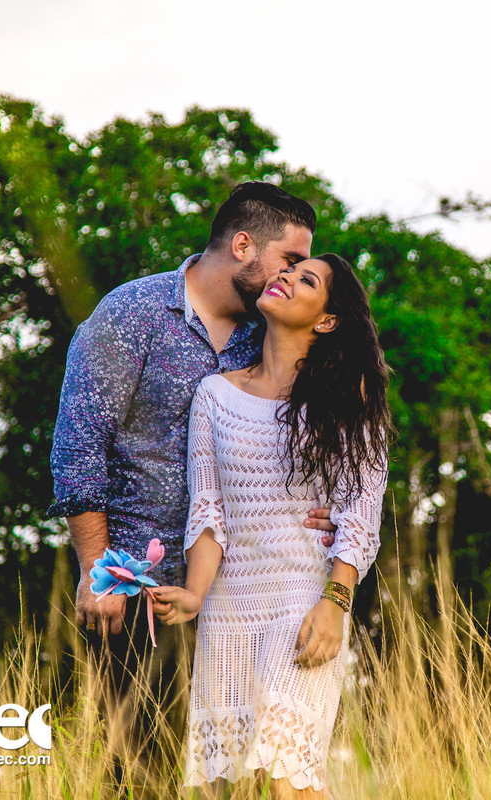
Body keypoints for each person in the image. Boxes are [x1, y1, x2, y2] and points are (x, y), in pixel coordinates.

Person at [47, 182, 337, 784]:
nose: (291, 276)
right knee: (143, 771)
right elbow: (78, 447)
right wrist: (98, 571)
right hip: (141, 591)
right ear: (242, 246)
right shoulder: (132, 313)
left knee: (248, 777)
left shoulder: (273, 331)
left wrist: (331, 507)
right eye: (288, 259)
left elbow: (332, 424)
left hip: (244, 597)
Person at [151, 252, 391, 798]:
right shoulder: (214, 395)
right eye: (288, 270)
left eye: (306, 280)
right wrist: (194, 594)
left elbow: (361, 508)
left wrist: (336, 602)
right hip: (229, 610)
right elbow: (208, 510)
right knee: (232, 784)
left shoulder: (347, 397)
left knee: (286, 776)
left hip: (303, 600)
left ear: (327, 320)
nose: (285, 276)